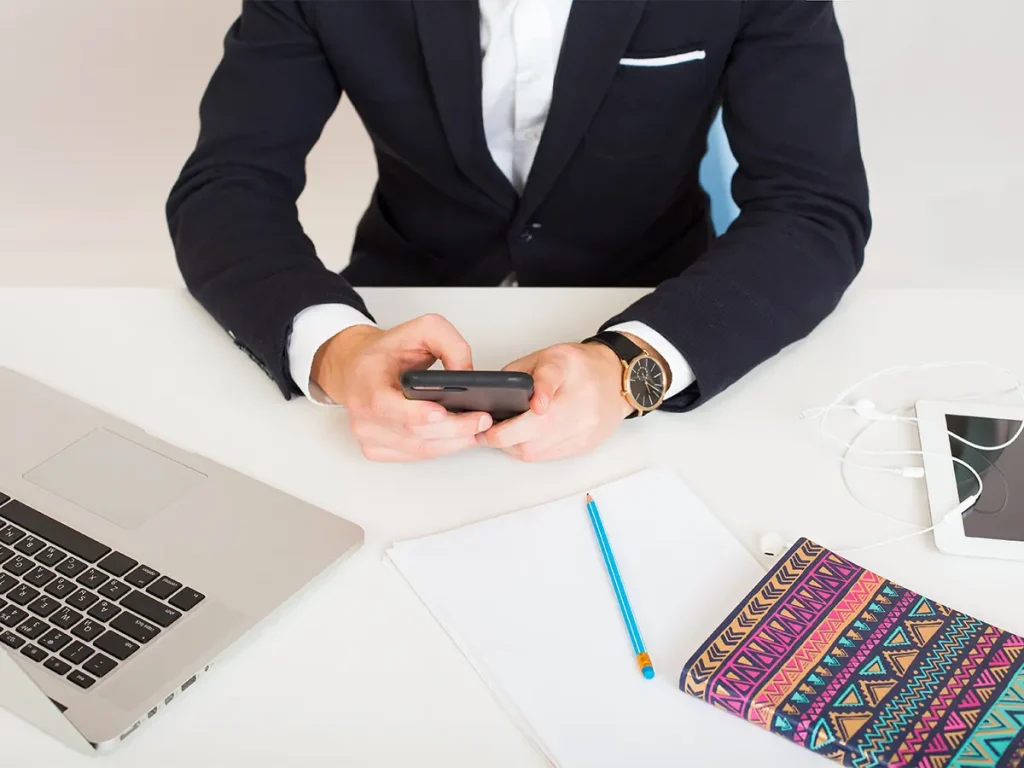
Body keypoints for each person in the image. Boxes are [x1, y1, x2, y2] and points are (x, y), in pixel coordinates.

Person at [167, 0, 870, 463]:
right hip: (401, 309)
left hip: (661, 314)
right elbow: (226, 187)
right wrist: (338, 352)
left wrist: (629, 369)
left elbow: (813, 208)